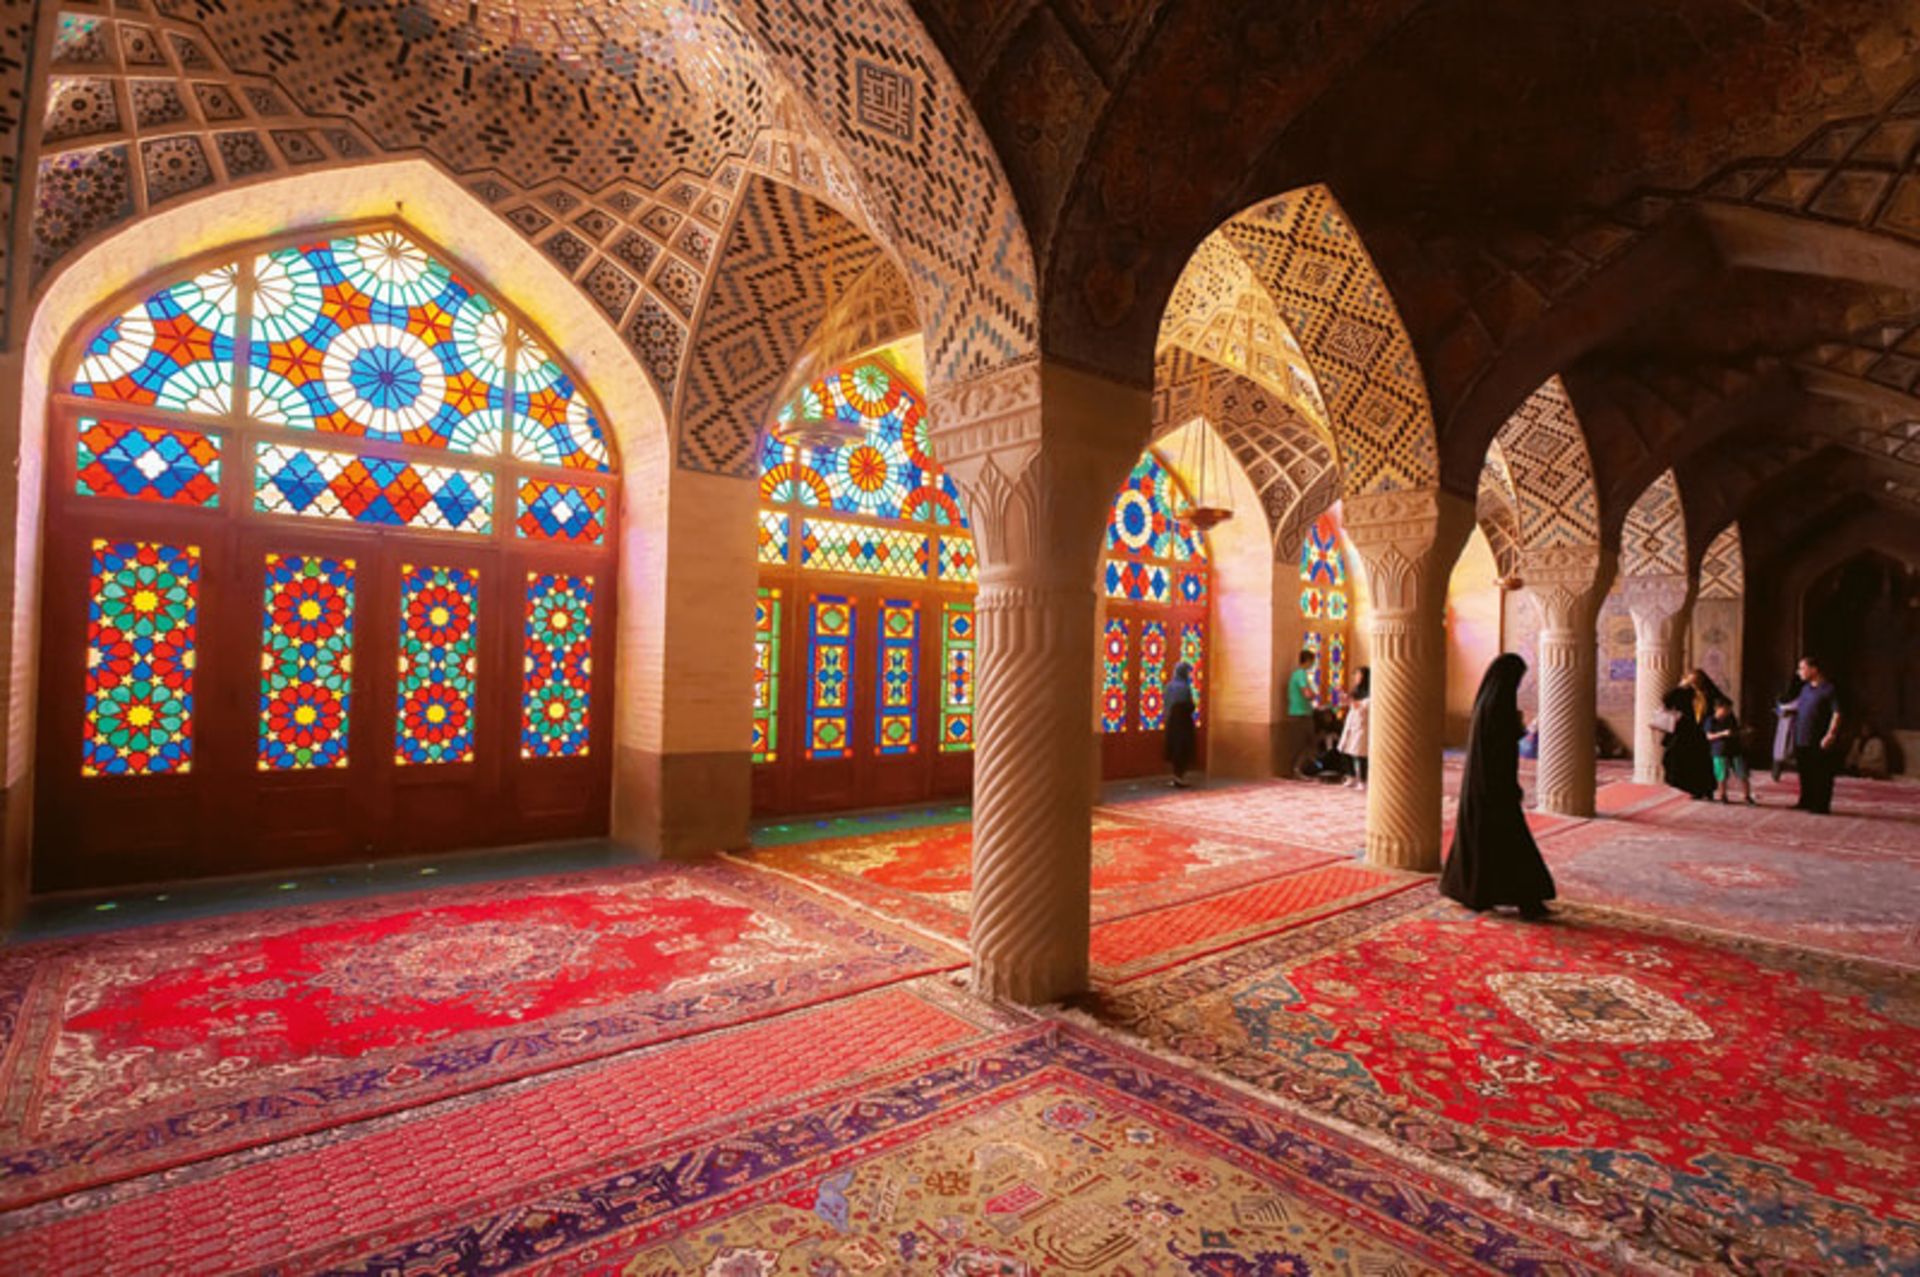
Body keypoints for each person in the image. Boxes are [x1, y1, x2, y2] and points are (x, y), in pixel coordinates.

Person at [1440, 654, 1555, 921]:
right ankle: (1524, 898)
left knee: (1493, 841)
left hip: (1486, 787)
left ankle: (1485, 893)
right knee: (1510, 841)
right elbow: (1500, 749)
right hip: (1493, 788)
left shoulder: (1490, 702)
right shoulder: (1498, 705)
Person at [1790, 656, 1843, 813]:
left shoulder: (1829, 689)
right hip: (1802, 736)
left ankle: (1821, 805)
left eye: (1802, 668)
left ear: (1814, 669)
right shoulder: (1805, 689)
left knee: (1821, 772)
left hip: (1819, 737)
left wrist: (1831, 734)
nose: (1799, 672)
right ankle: (1806, 800)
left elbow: (1837, 713)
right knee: (1805, 771)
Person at [1656, 685, 1717, 799]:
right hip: (1691, 741)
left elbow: (1680, 728)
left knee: (1689, 765)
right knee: (1695, 766)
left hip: (1689, 743)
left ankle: (1701, 789)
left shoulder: (1685, 712)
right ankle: (1700, 790)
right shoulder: (1685, 709)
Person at [1705, 698, 1755, 805]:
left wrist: (1744, 732)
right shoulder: (1711, 720)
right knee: (1721, 775)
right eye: (1725, 709)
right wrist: (1722, 734)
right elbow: (1709, 736)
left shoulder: (1731, 719)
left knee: (1743, 773)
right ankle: (1723, 796)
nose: (1727, 711)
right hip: (1719, 751)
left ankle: (1747, 796)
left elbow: (1735, 730)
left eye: (1729, 709)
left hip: (1735, 750)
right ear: (1717, 708)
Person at [1284, 648, 1321, 777]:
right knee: (1305, 743)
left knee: (1304, 743)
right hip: (1301, 713)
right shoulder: (1301, 674)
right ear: (1308, 661)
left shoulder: (1296, 674)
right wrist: (1314, 695)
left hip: (1300, 712)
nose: (1313, 665)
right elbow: (1307, 693)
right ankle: (1296, 769)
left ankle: (1297, 769)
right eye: (1313, 661)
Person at [1165, 662, 1198, 789]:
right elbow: (1189, 706)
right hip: (1183, 724)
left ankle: (1176, 776)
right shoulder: (1184, 687)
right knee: (1182, 750)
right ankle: (1180, 777)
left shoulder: (1169, 686)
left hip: (1172, 723)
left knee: (1175, 750)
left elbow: (1167, 705)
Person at [1338, 666, 1370, 789]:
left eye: (1358, 675)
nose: (1356, 677)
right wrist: (1343, 695)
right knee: (1345, 749)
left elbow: (1360, 705)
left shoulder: (1369, 692)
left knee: (1360, 753)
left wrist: (1350, 700)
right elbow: (1348, 703)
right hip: (1352, 723)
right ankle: (1350, 776)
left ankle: (1363, 780)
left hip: (1363, 724)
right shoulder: (1356, 690)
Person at [1772, 669, 1804, 782]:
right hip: (1790, 723)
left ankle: (1776, 772)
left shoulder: (1787, 696)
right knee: (1783, 746)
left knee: (1782, 747)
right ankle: (1777, 772)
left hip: (1789, 723)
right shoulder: (1802, 695)